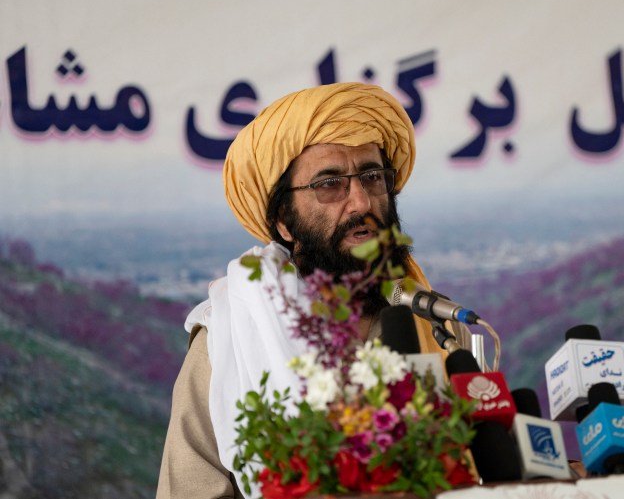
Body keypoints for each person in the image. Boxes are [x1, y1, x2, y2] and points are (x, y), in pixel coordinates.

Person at [156, 82, 460, 499]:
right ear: (284, 221)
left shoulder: (430, 321)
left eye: (372, 177)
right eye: (329, 183)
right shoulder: (229, 338)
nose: (361, 203)